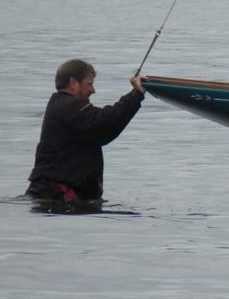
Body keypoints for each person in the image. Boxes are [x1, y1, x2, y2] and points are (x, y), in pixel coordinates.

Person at [26, 59, 146, 202]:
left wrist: (135, 95)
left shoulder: (62, 105)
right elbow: (104, 124)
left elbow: (103, 130)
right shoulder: (67, 106)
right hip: (55, 196)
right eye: (89, 84)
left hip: (57, 197)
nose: (93, 90)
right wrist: (135, 95)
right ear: (73, 83)